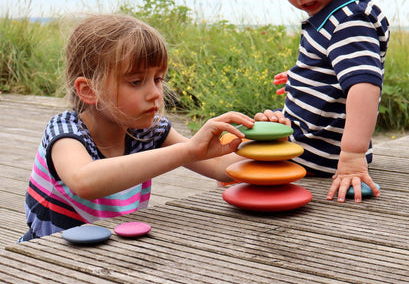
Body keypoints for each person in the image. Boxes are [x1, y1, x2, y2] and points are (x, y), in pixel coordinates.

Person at [19, 14, 254, 241]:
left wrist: (265, 140)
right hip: (50, 257)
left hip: (116, 254)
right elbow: (84, 181)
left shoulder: (149, 131)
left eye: (158, 79)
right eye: (136, 82)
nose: (155, 93)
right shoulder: (64, 132)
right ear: (90, 91)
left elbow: (223, 168)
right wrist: (191, 150)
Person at [256, 0, 390, 203]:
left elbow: (363, 85)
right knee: (237, 158)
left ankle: (170, 147)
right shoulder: (338, 16)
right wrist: (303, 77)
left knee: (229, 170)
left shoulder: (349, 20)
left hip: (317, 154)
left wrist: (353, 157)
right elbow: (339, 71)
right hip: (310, 143)